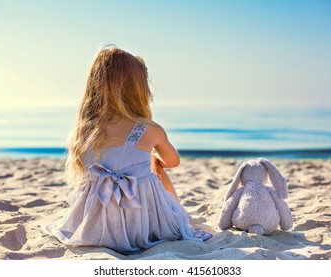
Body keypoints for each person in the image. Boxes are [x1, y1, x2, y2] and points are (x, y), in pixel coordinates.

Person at [44, 46, 211, 254]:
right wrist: (151, 157)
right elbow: (173, 161)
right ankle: (180, 218)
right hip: (141, 225)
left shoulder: (85, 130)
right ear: (139, 90)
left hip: (95, 228)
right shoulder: (150, 130)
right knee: (157, 164)